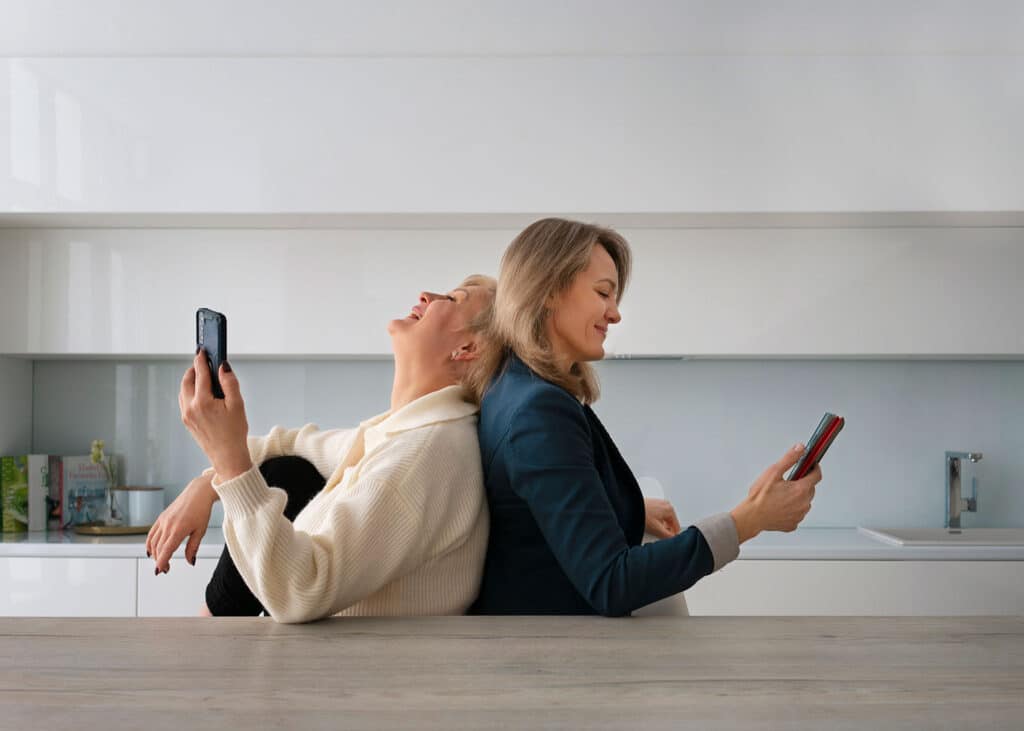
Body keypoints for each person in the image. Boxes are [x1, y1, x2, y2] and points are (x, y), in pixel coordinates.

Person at [464, 219, 822, 616]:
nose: (615, 314)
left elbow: (543, 511)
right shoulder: (539, 413)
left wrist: (628, 509)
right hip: (554, 657)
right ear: (548, 291)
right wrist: (750, 519)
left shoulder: (514, 385)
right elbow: (612, 583)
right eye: (603, 293)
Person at [146, 275, 496, 623]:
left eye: (452, 300)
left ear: (467, 349)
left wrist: (229, 461)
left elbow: (303, 589)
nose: (426, 294)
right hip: (312, 662)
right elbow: (290, 444)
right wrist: (208, 483)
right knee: (286, 471)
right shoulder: (399, 431)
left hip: (333, 675)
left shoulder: (423, 455)